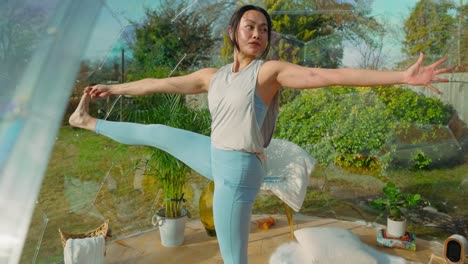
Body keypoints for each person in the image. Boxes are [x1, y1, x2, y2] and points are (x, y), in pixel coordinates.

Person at [69, 5, 451, 264]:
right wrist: (114, 89)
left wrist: (403, 76)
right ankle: (86, 123)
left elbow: (325, 76)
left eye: (264, 29)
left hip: (238, 171)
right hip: (213, 153)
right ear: (233, 31)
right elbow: (160, 83)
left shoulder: (268, 73)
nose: (258, 33)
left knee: (233, 258)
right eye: (250, 26)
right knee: (156, 131)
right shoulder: (212, 76)